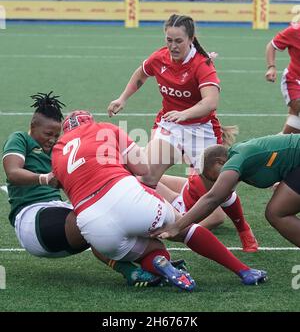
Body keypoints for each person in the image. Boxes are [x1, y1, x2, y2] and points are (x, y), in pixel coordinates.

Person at [52, 109, 267, 290]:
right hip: (124, 194)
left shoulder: (57, 151)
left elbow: (61, 185)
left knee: (151, 249)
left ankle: (156, 261)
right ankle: (244, 271)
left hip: (93, 222)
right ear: (90, 122)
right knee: (184, 228)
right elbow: (144, 170)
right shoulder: (105, 129)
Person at [2, 92, 162, 288]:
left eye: (56, 135)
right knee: (93, 219)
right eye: (47, 134)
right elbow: (12, 172)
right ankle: (133, 268)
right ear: (33, 126)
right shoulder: (20, 139)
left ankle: (151, 266)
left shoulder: (60, 150)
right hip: (31, 217)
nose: (52, 139)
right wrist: (43, 178)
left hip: (60, 215)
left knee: (103, 221)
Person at [107, 14, 231, 189]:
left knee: (213, 196)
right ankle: (163, 212)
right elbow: (142, 73)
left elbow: (211, 102)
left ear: (191, 39)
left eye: (179, 41)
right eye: (169, 40)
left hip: (201, 130)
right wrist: (123, 98)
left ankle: (233, 216)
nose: (173, 46)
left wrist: (184, 114)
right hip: (170, 126)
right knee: (146, 177)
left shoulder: (202, 64)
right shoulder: (159, 58)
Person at [152, 134, 300, 251]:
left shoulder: (236, 160)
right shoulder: (240, 155)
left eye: (214, 177)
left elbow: (213, 198)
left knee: (276, 212)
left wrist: (177, 226)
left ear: (220, 162)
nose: (217, 182)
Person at [157, 171, 258, 252]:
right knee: (148, 178)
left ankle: (243, 229)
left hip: (183, 210)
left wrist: (187, 230)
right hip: (178, 201)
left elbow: (218, 217)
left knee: (220, 189)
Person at [265, 24, 300, 134]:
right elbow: (271, 45)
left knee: (294, 129)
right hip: (294, 81)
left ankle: (277, 146)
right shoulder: (294, 31)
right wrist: (271, 67)